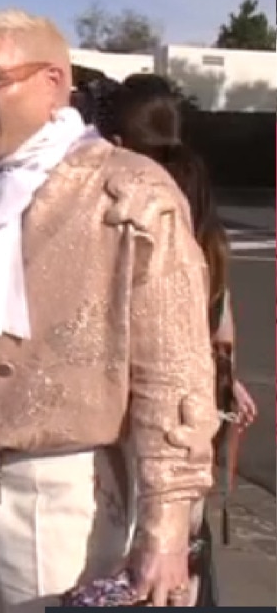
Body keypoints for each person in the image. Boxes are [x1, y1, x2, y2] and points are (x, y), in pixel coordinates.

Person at [0, 9, 217, 611]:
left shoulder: (130, 193)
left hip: (64, 489)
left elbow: (174, 372)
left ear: (54, 80)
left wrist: (167, 525)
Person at [104, 73, 258, 606]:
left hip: (132, 404)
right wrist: (227, 383)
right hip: (199, 404)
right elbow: (222, 324)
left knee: (125, 543)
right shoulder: (206, 223)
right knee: (185, 534)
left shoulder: (123, 210)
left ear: (119, 144)